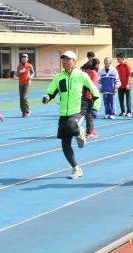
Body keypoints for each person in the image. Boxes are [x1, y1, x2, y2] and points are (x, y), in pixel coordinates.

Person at [43, 50, 101, 179]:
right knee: (65, 144)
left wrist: (95, 108)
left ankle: (79, 132)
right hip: (64, 112)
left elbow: (95, 92)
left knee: (71, 125)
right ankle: (76, 168)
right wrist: (47, 97)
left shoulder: (82, 76)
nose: (65, 61)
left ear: (74, 62)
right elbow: (51, 91)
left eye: (68, 59)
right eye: (63, 59)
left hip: (79, 109)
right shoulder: (59, 77)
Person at [85, 58, 100, 138]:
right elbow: (93, 86)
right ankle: (89, 132)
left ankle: (91, 129)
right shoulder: (94, 73)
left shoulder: (87, 71)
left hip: (85, 94)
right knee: (90, 114)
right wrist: (95, 96)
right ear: (96, 65)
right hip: (90, 95)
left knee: (88, 113)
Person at [116, 52, 132, 116]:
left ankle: (129, 112)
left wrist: (127, 84)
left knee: (128, 99)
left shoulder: (126, 66)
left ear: (122, 58)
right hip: (120, 86)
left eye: (118, 58)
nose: (117, 60)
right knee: (121, 100)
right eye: (117, 58)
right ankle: (123, 111)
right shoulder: (117, 67)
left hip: (127, 86)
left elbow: (129, 75)